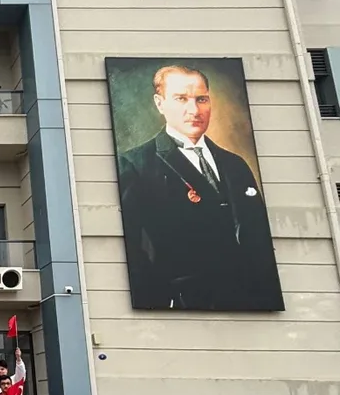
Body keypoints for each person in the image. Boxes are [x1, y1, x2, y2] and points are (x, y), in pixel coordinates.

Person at [116, 64, 283, 311]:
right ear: (159, 103)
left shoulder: (234, 163)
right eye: (181, 99)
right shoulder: (135, 164)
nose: (194, 110)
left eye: (201, 99)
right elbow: (132, 246)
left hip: (251, 299)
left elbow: (257, 234)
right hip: (185, 301)